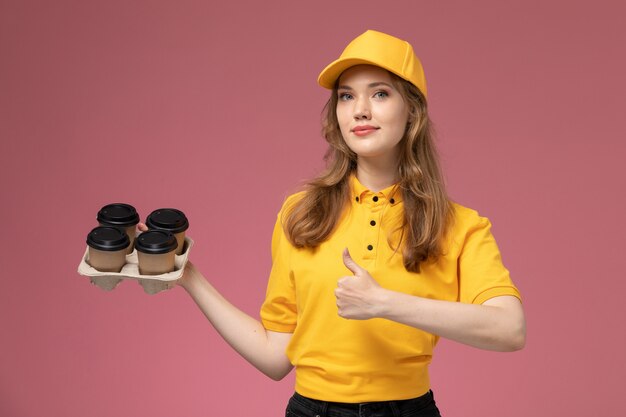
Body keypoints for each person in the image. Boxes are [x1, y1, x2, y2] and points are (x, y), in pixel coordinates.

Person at [146, 30, 526, 416]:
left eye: (380, 93)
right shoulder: (302, 213)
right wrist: (189, 277)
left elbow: (509, 330)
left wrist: (384, 303)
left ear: (412, 109)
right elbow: (276, 357)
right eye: (346, 96)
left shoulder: (459, 225)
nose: (360, 109)